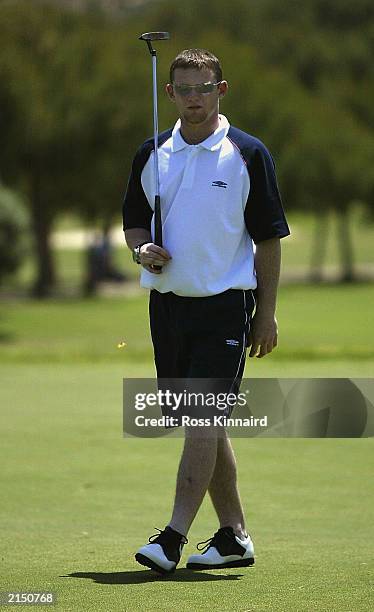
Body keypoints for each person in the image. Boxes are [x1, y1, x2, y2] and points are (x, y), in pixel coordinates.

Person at [122, 48, 290, 574]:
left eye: (204, 87)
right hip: (168, 309)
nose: (194, 98)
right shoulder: (152, 151)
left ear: (222, 89)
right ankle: (235, 535)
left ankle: (172, 537)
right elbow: (133, 221)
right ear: (169, 93)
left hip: (227, 307)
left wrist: (266, 312)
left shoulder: (247, 153)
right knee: (204, 423)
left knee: (202, 416)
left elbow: (269, 240)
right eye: (184, 89)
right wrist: (140, 250)